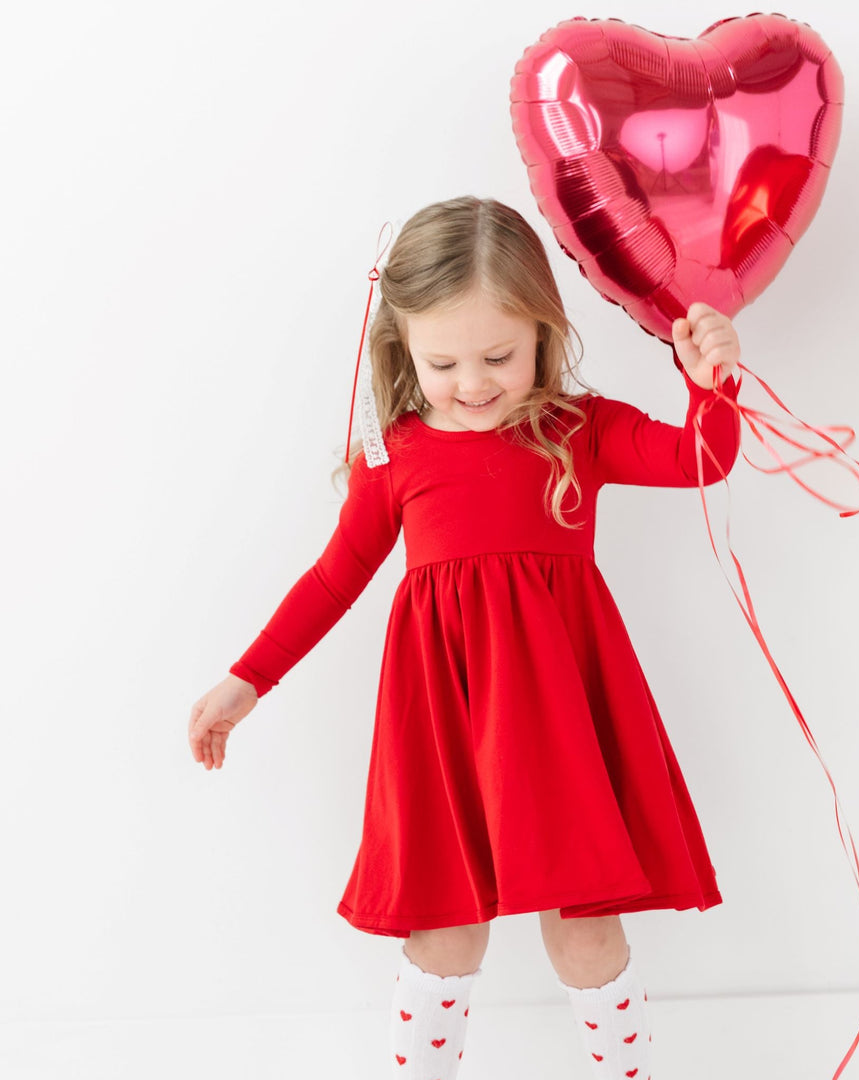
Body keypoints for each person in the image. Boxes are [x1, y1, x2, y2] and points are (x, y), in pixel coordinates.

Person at [188, 195, 741, 1080]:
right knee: (444, 926)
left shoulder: (577, 430)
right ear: (402, 346)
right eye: (443, 361)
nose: (474, 381)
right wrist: (247, 679)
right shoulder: (395, 456)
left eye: (499, 355)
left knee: (587, 919)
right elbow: (335, 578)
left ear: (543, 334)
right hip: (444, 716)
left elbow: (699, 460)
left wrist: (711, 387)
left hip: (559, 720)